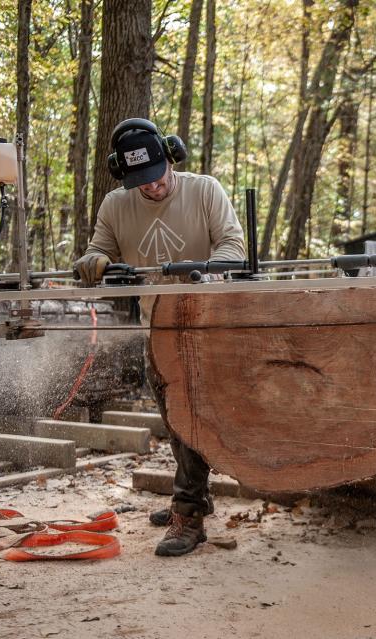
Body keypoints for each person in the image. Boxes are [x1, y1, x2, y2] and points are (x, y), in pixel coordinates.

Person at [73, 117, 245, 557]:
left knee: (189, 418)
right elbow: (100, 249)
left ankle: (188, 514)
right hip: (156, 326)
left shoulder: (204, 190)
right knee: (172, 417)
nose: (151, 188)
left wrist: (200, 274)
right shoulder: (116, 205)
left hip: (206, 324)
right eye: (140, 183)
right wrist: (92, 261)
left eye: (156, 176)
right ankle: (197, 494)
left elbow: (233, 247)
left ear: (171, 156)